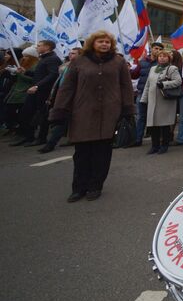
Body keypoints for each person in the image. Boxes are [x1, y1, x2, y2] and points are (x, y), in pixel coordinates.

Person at [49, 31, 134, 202]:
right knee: (82, 153)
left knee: (102, 152)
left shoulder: (118, 62)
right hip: (83, 113)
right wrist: (60, 110)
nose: (104, 44)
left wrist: (127, 110)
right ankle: (78, 187)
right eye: (101, 41)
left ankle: (95, 186)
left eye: (107, 42)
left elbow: (126, 87)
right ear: (92, 43)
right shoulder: (79, 61)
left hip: (109, 113)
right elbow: (67, 87)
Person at [11, 40, 62, 146]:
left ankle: (41, 138)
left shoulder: (53, 59)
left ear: (47, 47)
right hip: (35, 90)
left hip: (43, 91)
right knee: (26, 113)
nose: (37, 47)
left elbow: (52, 75)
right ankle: (28, 136)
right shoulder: (43, 58)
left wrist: (38, 86)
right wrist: (25, 71)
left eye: (39, 46)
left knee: (42, 115)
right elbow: (39, 74)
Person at [38, 47, 82, 154]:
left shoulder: (82, 67)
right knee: (64, 121)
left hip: (75, 98)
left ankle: (50, 144)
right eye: (70, 53)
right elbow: (59, 83)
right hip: (63, 96)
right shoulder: (66, 66)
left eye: (74, 53)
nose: (71, 55)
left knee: (64, 122)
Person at [141, 50, 182, 155]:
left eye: (165, 56)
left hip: (165, 101)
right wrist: (144, 99)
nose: (162, 58)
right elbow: (148, 85)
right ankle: (154, 146)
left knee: (164, 125)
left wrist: (164, 84)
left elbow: (178, 81)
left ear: (169, 58)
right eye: (160, 56)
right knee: (153, 125)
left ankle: (164, 145)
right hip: (152, 101)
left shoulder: (172, 68)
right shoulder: (153, 69)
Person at [131, 42, 162, 146]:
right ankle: (138, 139)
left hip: (156, 94)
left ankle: (156, 140)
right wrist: (128, 70)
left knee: (155, 117)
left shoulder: (161, 64)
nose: (157, 51)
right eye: (155, 48)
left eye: (159, 49)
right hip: (142, 92)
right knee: (141, 117)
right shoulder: (142, 62)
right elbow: (134, 75)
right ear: (151, 49)